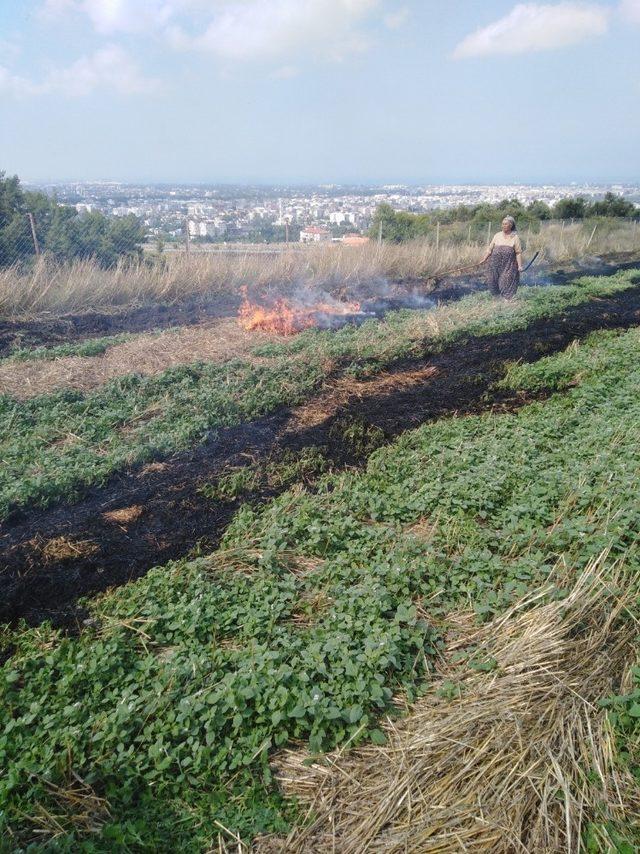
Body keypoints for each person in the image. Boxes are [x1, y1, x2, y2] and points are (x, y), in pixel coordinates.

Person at [480, 216, 523, 299]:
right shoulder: (497, 235)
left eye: (505, 224)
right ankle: (497, 302)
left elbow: (518, 253)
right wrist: (484, 259)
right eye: (502, 224)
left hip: (508, 266)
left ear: (511, 225)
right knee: (492, 282)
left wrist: (520, 266)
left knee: (506, 283)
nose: (503, 226)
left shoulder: (515, 237)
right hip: (494, 265)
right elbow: (489, 249)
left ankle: (507, 302)